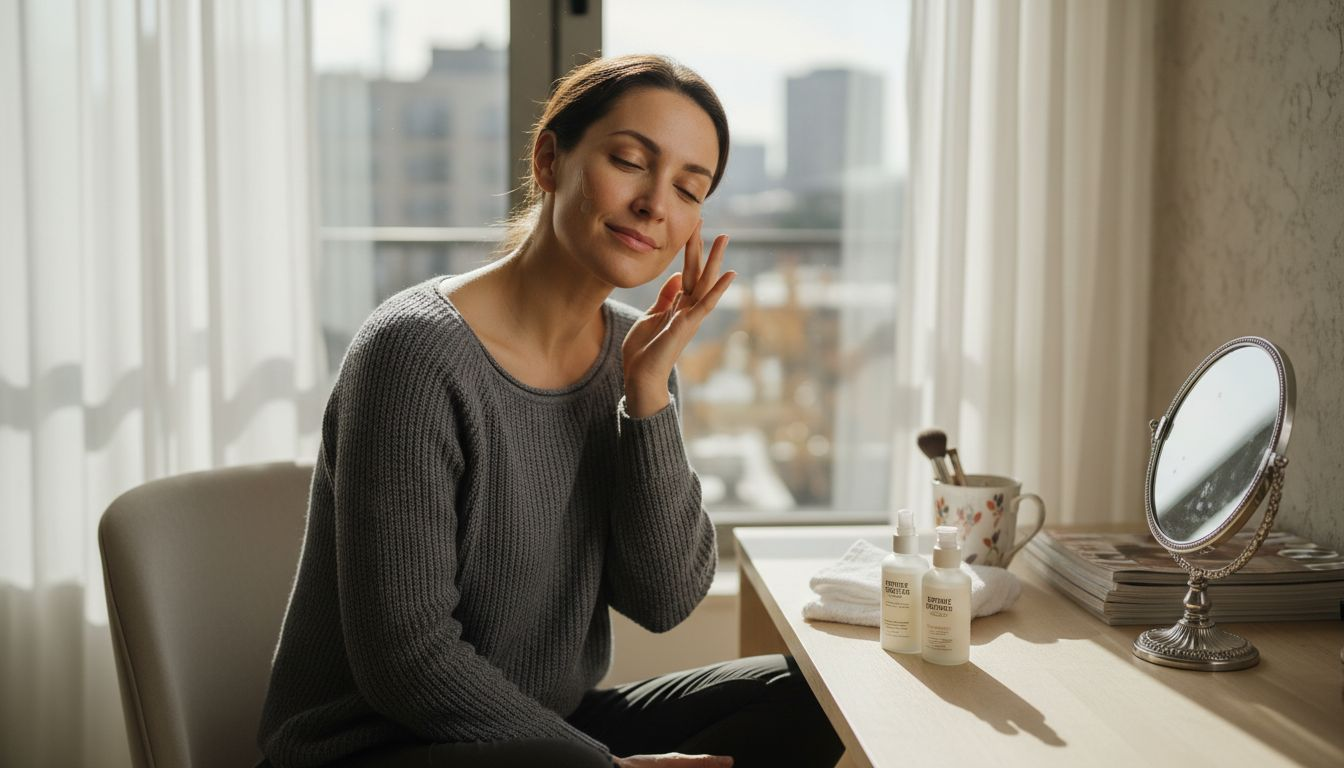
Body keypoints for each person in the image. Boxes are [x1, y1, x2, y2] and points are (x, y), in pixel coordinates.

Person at [256, 54, 844, 768]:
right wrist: (604, 767)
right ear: (549, 160)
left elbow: (663, 600)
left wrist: (647, 395)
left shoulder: (635, 351)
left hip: (546, 727)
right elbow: (407, 662)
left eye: (688, 189)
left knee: (815, 697)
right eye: (630, 162)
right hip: (374, 746)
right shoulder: (413, 351)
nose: (655, 204)